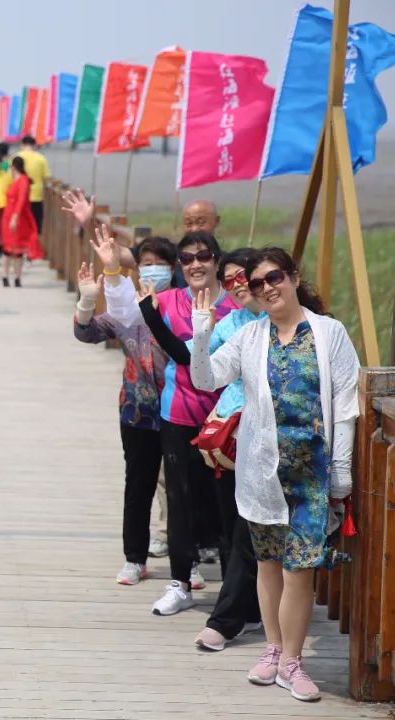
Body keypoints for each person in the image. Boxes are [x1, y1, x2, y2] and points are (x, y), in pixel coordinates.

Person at [189, 247, 359, 702]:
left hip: (312, 474)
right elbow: (206, 379)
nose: (267, 288)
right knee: (268, 566)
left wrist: (341, 470)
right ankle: (273, 649)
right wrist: (201, 332)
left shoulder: (329, 333)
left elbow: (344, 405)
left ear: (293, 277)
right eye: (258, 282)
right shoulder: (250, 338)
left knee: (299, 570)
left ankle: (293, 662)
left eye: (275, 277)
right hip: (262, 472)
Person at [100, 228, 237, 616]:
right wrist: (112, 271)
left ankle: (231, 592)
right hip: (176, 414)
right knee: (178, 501)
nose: (196, 264)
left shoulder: (235, 309)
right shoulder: (168, 301)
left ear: (216, 260)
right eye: (188, 258)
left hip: (223, 418)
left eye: (204, 257)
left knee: (224, 505)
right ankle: (179, 584)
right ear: (181, 266)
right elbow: (125, 312)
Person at [139, 247, 265, 649]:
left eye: (242, 277)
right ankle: (213, 600)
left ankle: (247, 608)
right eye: (232, 281)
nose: (237, 285)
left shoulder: (282, 320)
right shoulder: (229, 321)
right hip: (215, 428)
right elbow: (197, 366)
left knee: (235, 520)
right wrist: (165, 319)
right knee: (189, 504)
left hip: (259, 433)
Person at [72, 236, 175, 586]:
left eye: (160, 263)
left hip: (181, 411)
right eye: (146, 263)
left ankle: (186, 562)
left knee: (183, 487)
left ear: (173, 269)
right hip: (137, 413)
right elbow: (86, 332)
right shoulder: (125, 311)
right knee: (139, 487)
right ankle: (135, 558)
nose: (153, 269)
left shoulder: (181, 308)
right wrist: (87, 299)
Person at [1, 156, 43, 287]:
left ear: (13, 167)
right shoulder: (15, 180)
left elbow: (22, 200)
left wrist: (15, 216)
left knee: (17, 248)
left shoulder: (23, 181)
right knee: (8, 247)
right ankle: (5, 275)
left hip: (18, 218)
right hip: (9, 216)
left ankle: (16, 276)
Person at [14, 135, 50, 234]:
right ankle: (32, 247)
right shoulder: (41, 158)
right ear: (34, 145)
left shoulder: (16, 156)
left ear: (22, 145)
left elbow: (12, 178)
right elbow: (46, 178)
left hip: (19, 197)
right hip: (36, 197)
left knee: (20, 226)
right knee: (35, 227)